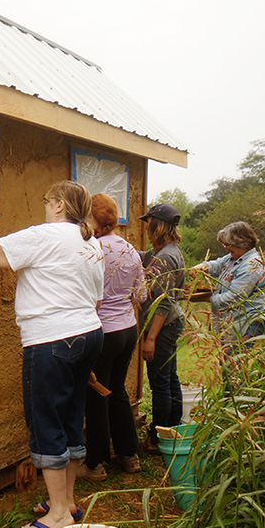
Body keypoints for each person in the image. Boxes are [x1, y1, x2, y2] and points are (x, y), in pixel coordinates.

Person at [0, 180, 104, 528]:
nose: (45, 206)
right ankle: (64, 503)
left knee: (46, 422)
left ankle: (59, 519)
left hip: (52, 340)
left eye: (47, 200)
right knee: (70, 417)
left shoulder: (46, 235)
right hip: (89, 334)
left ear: (58, 205)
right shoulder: (91, 243)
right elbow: (96, 296)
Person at [81, 194, 146, 481]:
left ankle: (94, 463)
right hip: (128, 330)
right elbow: (142, 295)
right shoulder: (131, 250)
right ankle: (129, 455)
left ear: (94, 220)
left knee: (96, 395)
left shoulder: (93, 249)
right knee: (117, 390)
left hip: (104, 332)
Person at [137, 203, 186, 455]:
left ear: (159, 225)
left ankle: (157, 440)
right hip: (171, 323)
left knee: (159, 384)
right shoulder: (166, 251)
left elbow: (163, 302)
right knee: (170, 378)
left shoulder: (166, 256)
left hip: (163, 326)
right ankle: (172, 428)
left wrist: (151, 338)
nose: (146, 227)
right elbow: (145, 258)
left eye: (149, 222)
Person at [192, 221, 265, 346]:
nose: (226, 249)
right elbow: (217, 265)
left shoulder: (251, 265)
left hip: (245, 324)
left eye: (228, 245)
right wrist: (202, 266)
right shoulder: (234, 257)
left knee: (233, 364)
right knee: (226, 362)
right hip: (231, 323)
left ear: (242, 242)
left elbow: (234, 297)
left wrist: (207, 298)